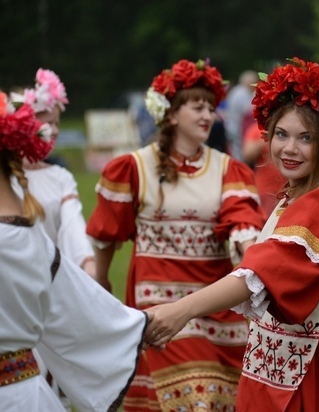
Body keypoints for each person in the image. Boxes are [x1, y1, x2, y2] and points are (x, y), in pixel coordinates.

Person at [144, 58, 319, 411]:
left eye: (305, 138)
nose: (288, 148)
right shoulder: (309, 193)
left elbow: (260, 275)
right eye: (281, 134)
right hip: (302, 351)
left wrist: (182, 310)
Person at [86, 58, 266, 411]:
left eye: (211, 108)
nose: (207, 115)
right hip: (159, 306)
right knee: (191, 399)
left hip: (216, 310)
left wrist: (252, 250)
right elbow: (106, 234)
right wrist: (102, 282)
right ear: (170, 114)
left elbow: (242, 218)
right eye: (197, 106)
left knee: (216, 400)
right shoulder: (134, 168)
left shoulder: (227, 168)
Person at [0, 91, 148, 412]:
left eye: (56, 123)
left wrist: (91, 268)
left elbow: (72, 230)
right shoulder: (25, 229)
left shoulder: (57, 180)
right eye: (44, 122)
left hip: (45, 286)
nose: (51, 130)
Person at [10, 68, 96, 279]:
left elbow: (72, 229)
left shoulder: (60, 177)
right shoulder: (5, 178)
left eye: (57, 123)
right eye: (49, 123)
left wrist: (89, 264)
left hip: (52, 282)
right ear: (26, 124)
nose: (56, 131)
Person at [242, 120, 286, 217]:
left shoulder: (287, 128)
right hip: (265, 192)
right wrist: (266, 137)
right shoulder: (256, 129)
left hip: (288, 191)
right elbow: (247, 155)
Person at [223, 69, 258, 161]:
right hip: (238, 127)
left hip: (232, 125)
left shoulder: (236, 91)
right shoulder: (243, 93)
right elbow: (248, 111)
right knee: (238, 152)